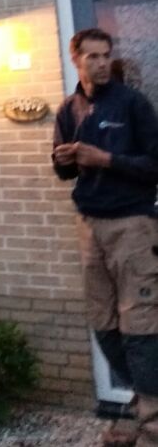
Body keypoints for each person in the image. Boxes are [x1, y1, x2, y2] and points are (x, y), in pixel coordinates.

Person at [53, 28, 158, 447]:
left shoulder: (132, 104)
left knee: (142, 323)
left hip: (133, 225)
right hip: (89, 225)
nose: (101, 63)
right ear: (75, 58)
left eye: (106, 56)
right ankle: (140, 408)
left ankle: (152, 428)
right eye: (92, 56)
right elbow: (65, 173)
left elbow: (154, 165)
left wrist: (106, 159)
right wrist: (61, 159)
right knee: (104, 323)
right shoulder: (68, 109)